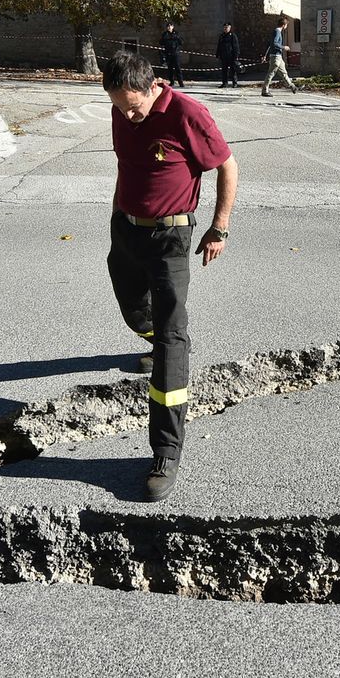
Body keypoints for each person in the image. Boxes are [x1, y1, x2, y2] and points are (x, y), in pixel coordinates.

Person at [102, 51, 238, 501]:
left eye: (133, 106)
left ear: (154, 85)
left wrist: (219, 227)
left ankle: (165, 451)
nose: (127, 114)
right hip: (126, 228)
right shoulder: (124, 107)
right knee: (129, 302)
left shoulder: (186, 114)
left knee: (172, 340)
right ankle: (154, 340)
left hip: (169, 240)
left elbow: (226, 166)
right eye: (119, 106)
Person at [260, 16, 300, 97]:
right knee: (271, 73)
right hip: (275, 57)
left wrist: (265, 55)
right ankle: (265, 90)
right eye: (286, 25)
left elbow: (269, 44)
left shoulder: (275, 32)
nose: (286, 27)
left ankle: (293, 87)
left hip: (278, 56)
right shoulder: (277, 32)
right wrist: (284, 47)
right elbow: (274, 44)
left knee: (283, 73)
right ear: (284, 25)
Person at [159, 22, 185, 88]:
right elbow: (161, 42)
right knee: (170, 69)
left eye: (170, 26)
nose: (169, 27)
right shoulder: (165, 34)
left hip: (175, 53)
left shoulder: (176, 33)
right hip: (168, 53)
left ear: (173, 27)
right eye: (168, 26)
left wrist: (176, 37)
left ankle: (180, 82)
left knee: (177, 68)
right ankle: (172, 81)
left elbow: (181, 42)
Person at [216, 22, 241, 87]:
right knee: (224, 70)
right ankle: (225, 83)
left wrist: (236, 56)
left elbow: (236, 46)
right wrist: (217, 54)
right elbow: (219, 45)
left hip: (231, 56)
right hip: (223, 56)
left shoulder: (233, 36)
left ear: (230, 28)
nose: (225, 29)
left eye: (227, 27)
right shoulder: (221, 36)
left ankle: (234, 83)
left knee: (233, 70)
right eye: (224, 27)